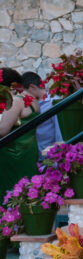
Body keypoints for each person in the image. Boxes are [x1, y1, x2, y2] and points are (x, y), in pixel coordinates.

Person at [0, 68, 41, 201]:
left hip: (13, 153)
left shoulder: (15, 101)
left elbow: (2, 129)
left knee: (12, 192)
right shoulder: (30, 99)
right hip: (27, 150)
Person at [20, 72, 61, 154]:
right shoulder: (30, 104)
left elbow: (60, 136)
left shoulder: (53, 103)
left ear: (31, 87)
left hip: (47, 157)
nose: (23, 96)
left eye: (23, 92)